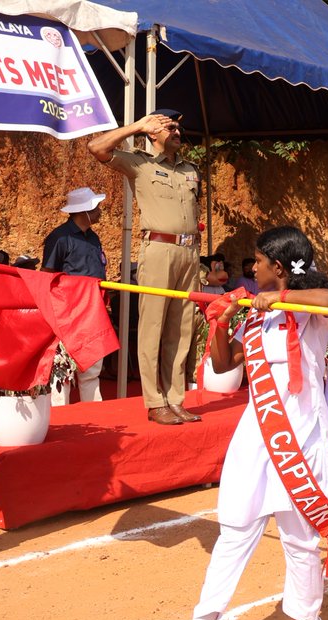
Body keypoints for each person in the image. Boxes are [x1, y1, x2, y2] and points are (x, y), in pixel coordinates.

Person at [139, 226, 328, 620]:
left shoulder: (309, 308)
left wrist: (281, 298)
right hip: (256, 433)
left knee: (297, 535)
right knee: (236, 526)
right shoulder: (256, 313)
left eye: (259, 262)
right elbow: (223, 364)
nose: (252, 269)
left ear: (279, 267)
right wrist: (220, 320)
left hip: (300, 434)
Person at [89, 108, 202, 426]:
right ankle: (155, 402)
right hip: (158, 250)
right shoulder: (140, 163)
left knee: (182, 328)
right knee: (152, 327)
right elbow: (96, 148)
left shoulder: (190, 169)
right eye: (169, 127)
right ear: (153, 132)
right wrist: (137, 126)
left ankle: (175, 399)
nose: (176, 132)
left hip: (189, 253)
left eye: (178, 127)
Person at [42, 186, 109, 404]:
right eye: (95, 207)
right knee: (63, 367)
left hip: (92, 310)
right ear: (84, 211)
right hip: (67, 312)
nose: (99, 211)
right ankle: (61, 415)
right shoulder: (59, 238)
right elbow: (47, 275)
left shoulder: (93, 238)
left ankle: (93, 412)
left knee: (92, 367)